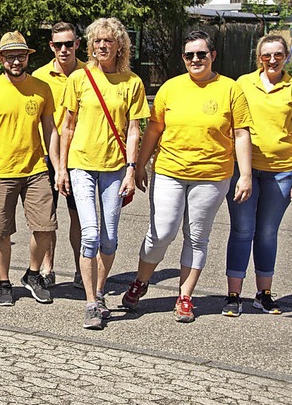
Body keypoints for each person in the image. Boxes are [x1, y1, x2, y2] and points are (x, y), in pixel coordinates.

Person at [122, 30, 253, 323]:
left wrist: (245, 175)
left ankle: (185, 296)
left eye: (201, 54)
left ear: (212, 56)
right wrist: (139, 165)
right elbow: (154, 130)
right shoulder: (171, 88)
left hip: (212, 175)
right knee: (162, 231)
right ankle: (141, 281)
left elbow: (242, 133)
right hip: (169, 170)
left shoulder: (230, 89)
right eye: (189, 55)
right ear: (183, 58)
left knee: (197, 236)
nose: (195, 59)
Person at [58, 18, 150, 330]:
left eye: (108, 41)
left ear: (120, 45)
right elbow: (66, 127)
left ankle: (99, 290)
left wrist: (131, 169)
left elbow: (134, 131)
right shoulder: (79, 79)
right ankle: (90, 303)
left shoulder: (132, 83)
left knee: (109, 240)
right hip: (81, 165)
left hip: (115, 169)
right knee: (91, 235)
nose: (101, 46)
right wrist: (61, 169)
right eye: (97, 41)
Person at [0, 31, 59, 306]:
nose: (16, 61)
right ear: (1, 59)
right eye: (10, 57)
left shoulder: (41, 88)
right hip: (1, 172)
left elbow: (50, 129)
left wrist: (58, 167)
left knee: (45, 226)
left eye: (20, 56)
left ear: (27, 57)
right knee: (1, 231)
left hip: (36, 170)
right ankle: (3, 282)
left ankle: (33, 275)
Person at [222, 34, 292, 317]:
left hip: (282, 172)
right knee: (242, 230)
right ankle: (233, 295)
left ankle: (264, 294)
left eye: (278, 54)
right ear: (259, 57)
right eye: (266, 55)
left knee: (267, 233)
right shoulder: (243, 83)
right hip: (243, 170)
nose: (272, 59)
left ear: (286, 56)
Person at [32, 22, 85, 290]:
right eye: (58, 44)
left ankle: (79, 270)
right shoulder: (38, 76)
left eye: (69, 43)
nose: (64, 49)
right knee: (47, 217)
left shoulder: (90, 73)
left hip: (79, 158)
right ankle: (47, 269)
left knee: (78, 217)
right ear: (51, 46)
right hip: (46, 157)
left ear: (77, 43)